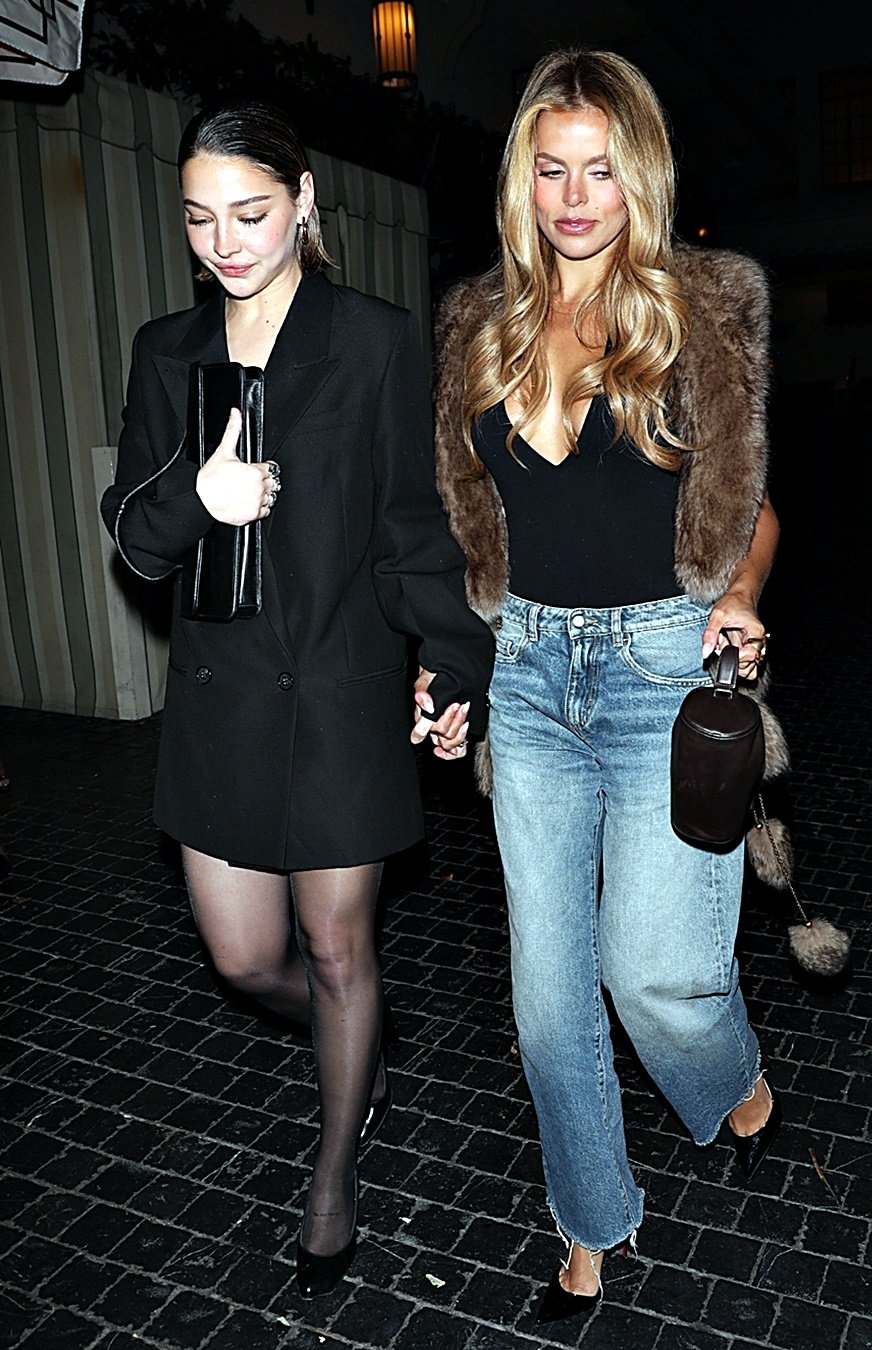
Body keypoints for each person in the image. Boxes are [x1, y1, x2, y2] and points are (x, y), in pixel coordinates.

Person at [100, 99, 494, 1299]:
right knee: (243, 958)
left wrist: (452, 663)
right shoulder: (167, 352)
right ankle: (352, 1037)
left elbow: (412, 527)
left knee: (335, 947)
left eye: (250, 212)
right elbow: (135, 540)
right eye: (198, 218)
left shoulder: (373, 341)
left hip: (337, 690)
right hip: (218, 701)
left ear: (304, 200)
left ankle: (333, 1166)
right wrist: (199, 502)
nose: (224, 242)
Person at [432, 49, 787, 1324]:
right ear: (520, 178)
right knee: (545, 1002)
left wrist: (739, 595)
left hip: (659, 673)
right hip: (528, 676)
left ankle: (731, 1078)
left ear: (638, 175)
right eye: (550, 169)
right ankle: (589, 1221)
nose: (574, 198)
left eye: (599, 170)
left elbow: (753, 513)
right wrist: (449, 668)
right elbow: (462, 538)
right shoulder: (476, 325)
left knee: (655, 978)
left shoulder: (702, 309)